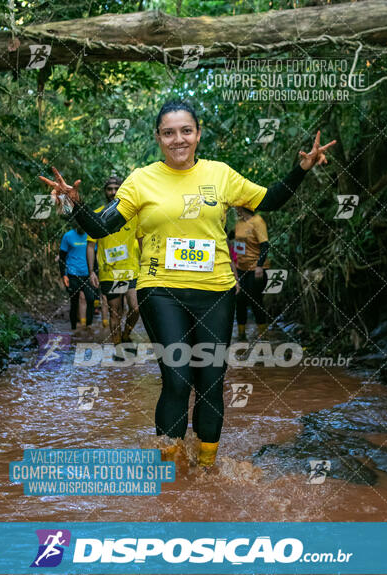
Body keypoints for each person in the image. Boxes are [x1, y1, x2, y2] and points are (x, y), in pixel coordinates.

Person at [40, 100, 335, 468]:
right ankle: (171, 469)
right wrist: (75, 204)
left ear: (197, 134)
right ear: (158, 138)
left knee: (211, 384)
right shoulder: (141, 180)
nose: (178, 139)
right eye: (168, 133)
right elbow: (103, 227)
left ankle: (206, 471)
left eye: (185, 131)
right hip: (160, 290)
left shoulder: (221, 174)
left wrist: (302, 168)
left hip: (216, 292)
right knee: (178, 380)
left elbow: (270, 199)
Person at [86, 175, 141, 359]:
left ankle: (126, 335)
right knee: (115, 312)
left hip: (131, 270)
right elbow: (90, 245)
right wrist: (91, 271)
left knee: (136, 308)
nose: (112, 192)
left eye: (116, 188)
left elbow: (141, 239)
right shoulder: (98, 214)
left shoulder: (132, 214)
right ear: (105, 192)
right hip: (110, 272)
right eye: (109, 189)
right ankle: (118, 346)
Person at [234, 207, 270, 341]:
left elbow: (265, 245)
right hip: (241, 268)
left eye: (237, 207)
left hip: (255, 268)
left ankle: (263, 334)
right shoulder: (239, 223)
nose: (235, 209)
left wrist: (259, 266)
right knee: (240, 301)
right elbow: (234, 239)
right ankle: (241, 334)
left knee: (256, 301)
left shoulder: (257, 221)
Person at [59, 223, 94, 331]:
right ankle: (73, 328)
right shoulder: (68, 236)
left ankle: (88, 325)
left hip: (87, 274)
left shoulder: (90, 236)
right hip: (72, 274)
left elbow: (94, 255)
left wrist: (95, 272)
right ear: (76, 224)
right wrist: (63, 275)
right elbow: (62, 257)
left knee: (91, 299)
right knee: (74, 302)